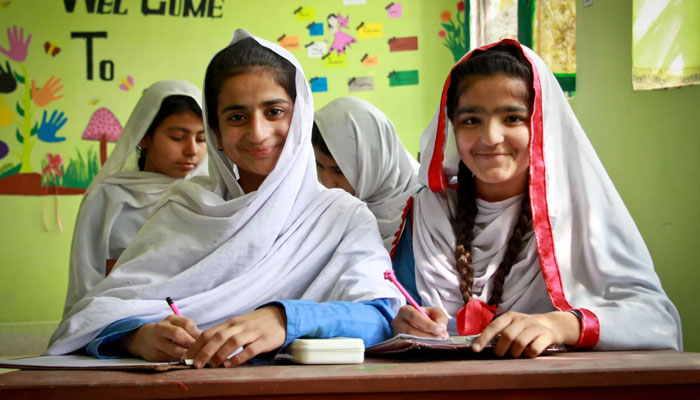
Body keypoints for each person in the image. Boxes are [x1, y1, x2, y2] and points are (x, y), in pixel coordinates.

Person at [46, 30, 401, 368]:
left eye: (275, 111)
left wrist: (283, 318)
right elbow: (93, 314)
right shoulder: (184, 208)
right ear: (215, 130)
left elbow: (380, 316)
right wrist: (138, 336)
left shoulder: (342, 216)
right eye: (236, 117)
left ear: (300, 116)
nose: (258, 132)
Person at [390, 39, 682, 358]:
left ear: (543, 124)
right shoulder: (428, 213)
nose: (490, 137)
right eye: (471, 120)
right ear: (452, 128)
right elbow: (400, 306)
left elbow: (657, 321)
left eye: (512, 118)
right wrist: (401, 320)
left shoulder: (580, 212)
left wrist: (560, 325)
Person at [63, 80, 207, 316]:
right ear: (144, 136)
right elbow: (88, 276)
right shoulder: (109, 196)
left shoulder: (205, 197)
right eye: (177, 137)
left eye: (201, 139)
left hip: (195, 322)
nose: (192, 150)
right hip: (122, 325)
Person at [312, 96, 420, 251]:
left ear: (374, 164)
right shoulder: (326, 208)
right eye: (318, 165)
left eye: (339, 171)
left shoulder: (429, 210)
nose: (327, 183)